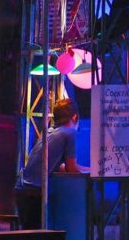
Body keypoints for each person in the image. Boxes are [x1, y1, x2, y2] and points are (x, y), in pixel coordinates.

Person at [14, 98, 87, 229]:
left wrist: (87, 168)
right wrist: (90, 172)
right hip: (34, 192)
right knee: (37, 238)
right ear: (75, 117)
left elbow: (60, 165)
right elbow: (71, 169)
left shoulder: (48, 131)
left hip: (21, 188)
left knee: (28, 235)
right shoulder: (70, 133)